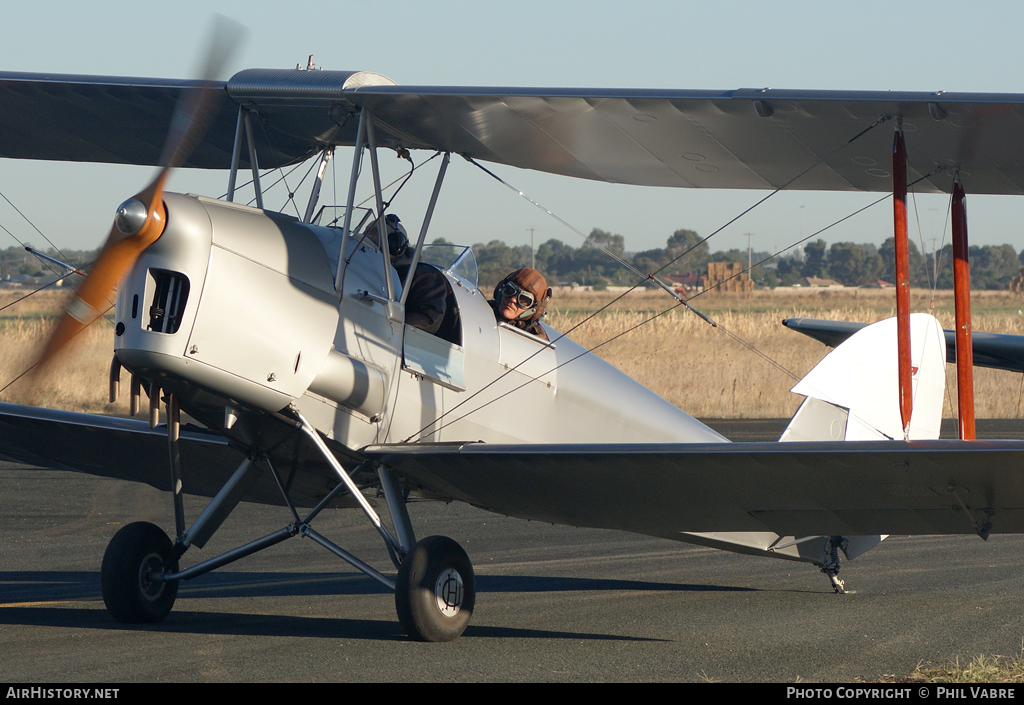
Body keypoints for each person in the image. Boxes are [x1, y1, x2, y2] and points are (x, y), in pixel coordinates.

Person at [365, 214, 448, 336]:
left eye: (376, 242)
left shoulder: (424, 276)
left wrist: (384, 322)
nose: (369, 248)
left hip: (402, 344)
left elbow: (429, 320)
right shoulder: (364, 269)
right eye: (367, 240)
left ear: (396, 247)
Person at [490, 268, 552, 341]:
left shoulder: (535, 341)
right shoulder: (480, 309)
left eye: (523, 299)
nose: (512, 299)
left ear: (532, 310)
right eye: (509, 290)